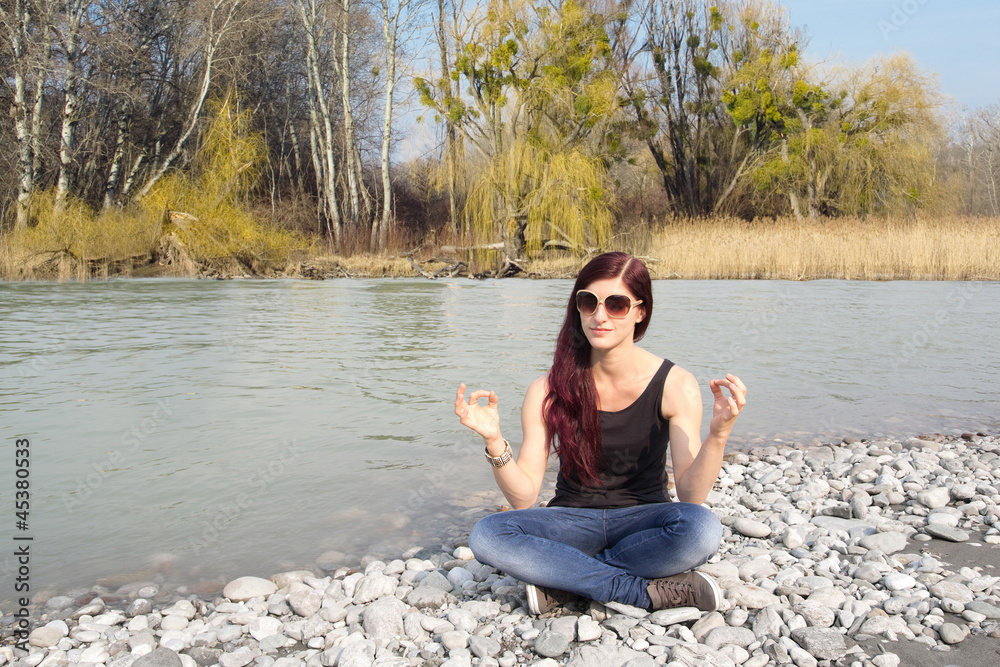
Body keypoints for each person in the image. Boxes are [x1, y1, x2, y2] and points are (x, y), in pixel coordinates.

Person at [454, 252, 747, 615]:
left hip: (644, 522)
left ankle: (564, 579)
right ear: (577, 307)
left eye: (617, 304)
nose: (600, 315)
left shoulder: (676, 384)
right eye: (588, 301)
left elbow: (690, 494)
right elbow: (525, 498)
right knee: (487, 534)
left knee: (701, 529)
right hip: (570, 522)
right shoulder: (547, 389)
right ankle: (635, 592)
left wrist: (719, 434)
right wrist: (494, 440)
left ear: (641, 311)